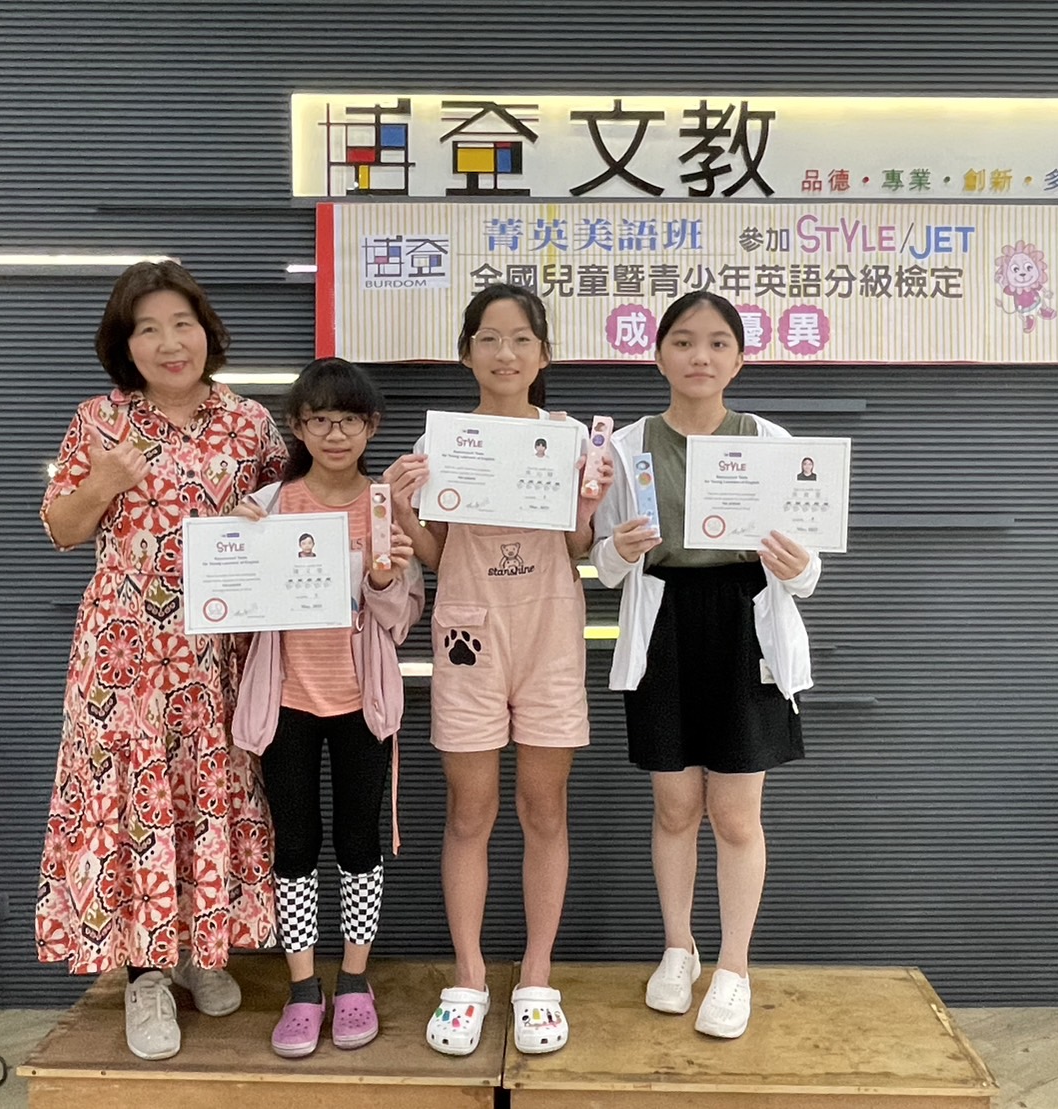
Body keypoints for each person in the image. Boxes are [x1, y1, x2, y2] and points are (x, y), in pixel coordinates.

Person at [35, 260, 287, 1061]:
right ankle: (143, 976)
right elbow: (61, 529)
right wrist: (105, 480)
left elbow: (295, 513)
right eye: (148, 328)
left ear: (207, 332)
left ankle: (197, 950)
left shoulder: (249, 422)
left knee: (205, 793)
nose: (170, 342)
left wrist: (266, 518)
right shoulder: (99, 420)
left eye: (182, 323)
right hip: (125, 656)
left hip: (217, 655)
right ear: (126, 344)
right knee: (135, 802)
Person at [384, 284, 614, 1057]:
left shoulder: (570, 438)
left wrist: (588, 504)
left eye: (521, 339)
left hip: (549, 636)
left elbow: (578, 548)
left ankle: (537, 975)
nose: (505, 352)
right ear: (466, 353)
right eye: (488, 338)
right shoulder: (445, 440)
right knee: (468, 813)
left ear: (543, 354)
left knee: (544, 811)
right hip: (468, 636)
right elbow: (438, 555)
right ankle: (470, 976)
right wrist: (403, 506)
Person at [591, 290, 820, 1040]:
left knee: (736, 814)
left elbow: (808, 570)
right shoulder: (625, 449)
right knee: (673, 806)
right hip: (665, 625)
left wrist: (799, 566)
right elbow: (605, 565)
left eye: (718, 343)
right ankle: (678, 948)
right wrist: (617, 551)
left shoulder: (771, 442)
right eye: (684, 341)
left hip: (744, 624)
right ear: (657, 354)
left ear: (739, 359)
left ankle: (734, 967)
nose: (700, 356)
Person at [229, 357, 422, 1058]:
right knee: (295, 844)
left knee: (359, 842)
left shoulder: (385, 506)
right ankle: (303, 988)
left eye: (348, 419)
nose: (334, 433)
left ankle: (355, 981)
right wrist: (235, 545)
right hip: (285, 699)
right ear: (297, 427)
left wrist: (383, 580)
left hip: (362, 701)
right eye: (319, 420)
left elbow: (401, 621)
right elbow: (234, 605)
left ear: (371, 427)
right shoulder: (269, 505)